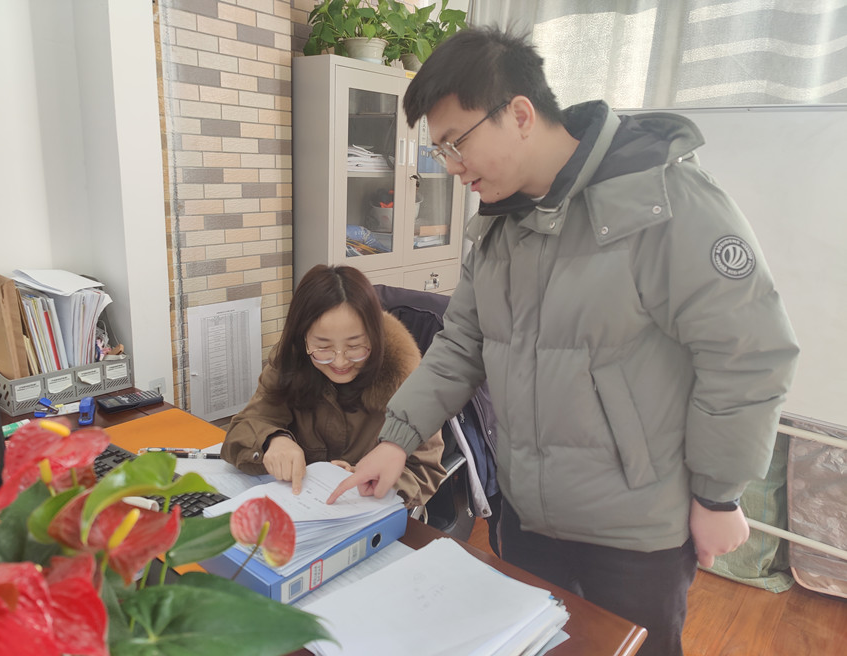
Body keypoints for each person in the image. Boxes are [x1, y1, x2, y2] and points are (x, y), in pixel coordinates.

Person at [328, 27, 800, 656]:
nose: (451, 166)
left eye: (456, 142)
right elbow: (460, 343)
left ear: (520, 114)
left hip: (635, 533)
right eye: (439, 149)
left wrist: (718, 493)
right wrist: (397, 438)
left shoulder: (666, 202)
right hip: (525, 518)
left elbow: (748, 355)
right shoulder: (497, 228)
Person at [222, 264, 446, 509]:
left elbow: (425, 470)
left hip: (368, 514)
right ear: (303, 337)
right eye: (323, 347)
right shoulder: (290, 361)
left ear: (375, 337)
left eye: (355, 346)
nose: (340, 362)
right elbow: (245, 426)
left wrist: (368, 480)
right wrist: (272, 440)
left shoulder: (405, 377)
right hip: (298, 507)